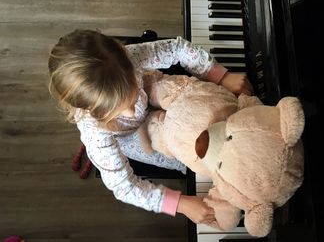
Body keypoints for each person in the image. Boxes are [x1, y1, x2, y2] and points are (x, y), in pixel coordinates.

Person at [48, 29, 252, 224]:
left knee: (188, 95)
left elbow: (177, 48)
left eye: (131, 94)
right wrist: (180, 203)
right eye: (121, 109)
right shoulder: (96, 134)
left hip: (151, 88)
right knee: (184, 155)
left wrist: (220, 76)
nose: (131, 111)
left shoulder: (130, 57)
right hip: (129, 136)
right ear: (90, 110)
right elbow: (124, 187)